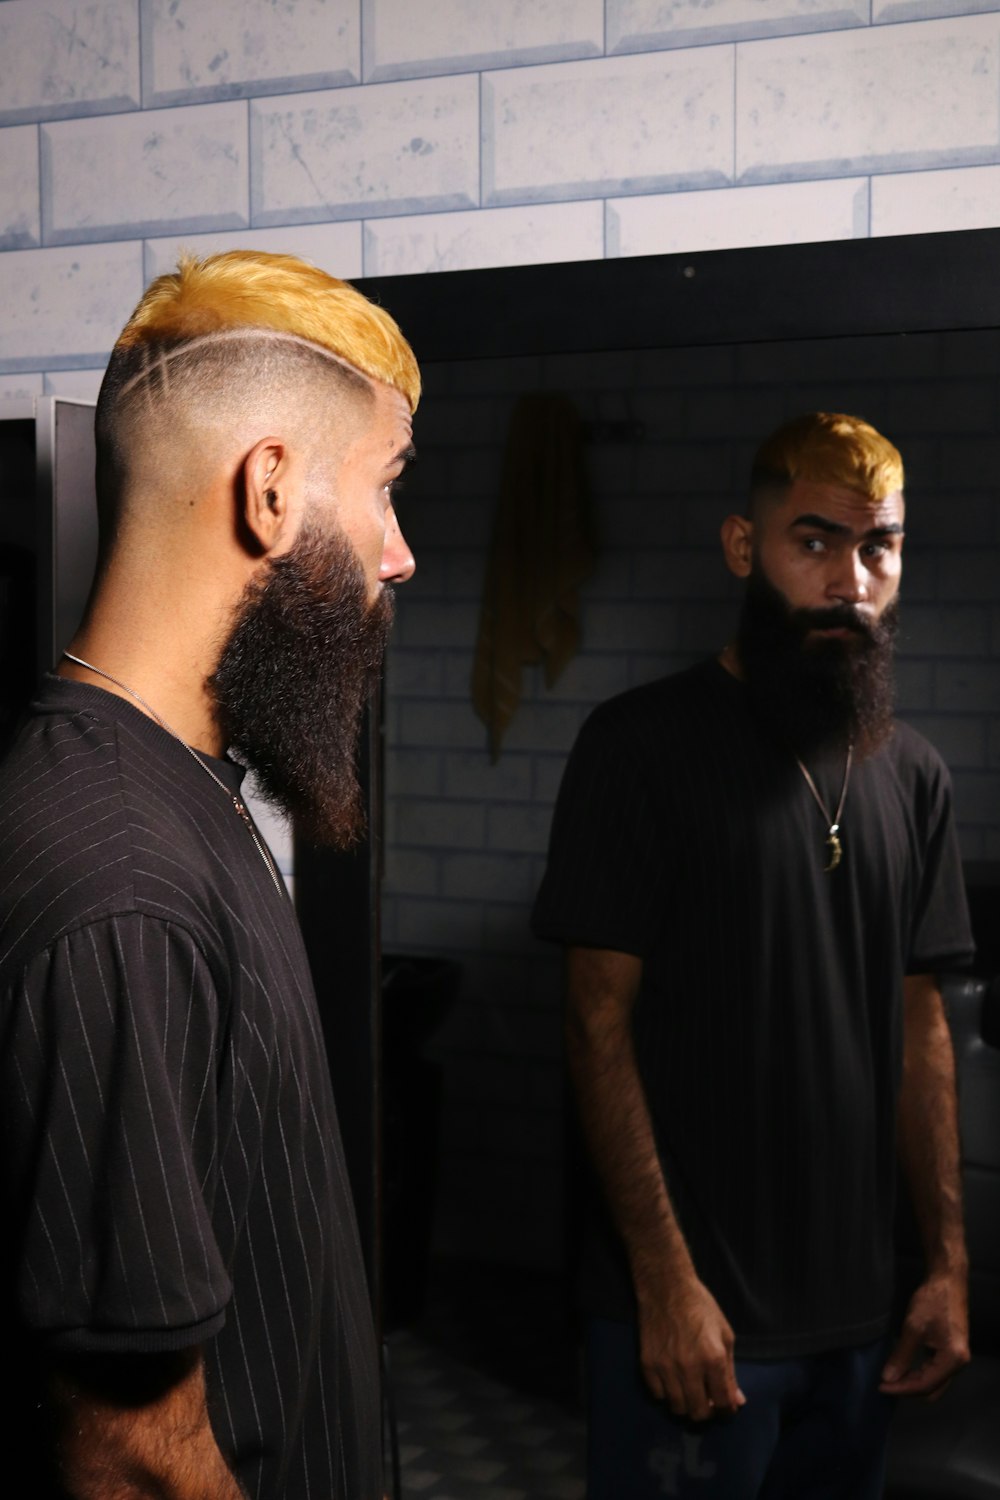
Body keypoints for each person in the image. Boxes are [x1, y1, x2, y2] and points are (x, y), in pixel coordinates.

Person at [0, 250, 420, 1499]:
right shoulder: (116, 876)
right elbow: (130, 1452)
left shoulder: (184, 794)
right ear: (271, 489)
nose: (395, 554)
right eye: (386, 491)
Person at [532, 412, 975, 1499]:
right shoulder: (638, 747)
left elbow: (923, 1031)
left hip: (858, 1327)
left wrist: (947, 1267)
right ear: (743, 546)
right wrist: (662, 1283)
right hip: (696, 1318)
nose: (849, 580)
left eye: (879, 547)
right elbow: (595, 1023)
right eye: (812, 541)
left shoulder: (913, 777)